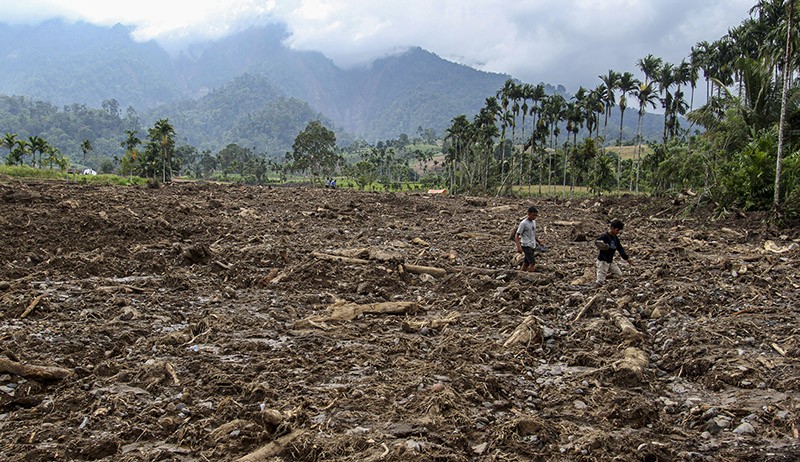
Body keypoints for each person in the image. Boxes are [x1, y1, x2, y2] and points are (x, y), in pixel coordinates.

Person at [594, 219, 633, 287]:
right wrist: (604, 246)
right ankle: (593, 292)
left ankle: (603, 276)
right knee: (599, 283)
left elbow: (620, 248)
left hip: (610, 260)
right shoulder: (605, 236)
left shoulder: (615, 238)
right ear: (612, 228)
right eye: (617, 230)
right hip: (603, 261)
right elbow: (597, 242)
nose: (618, 232)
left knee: (618, 274)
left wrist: (626, 258)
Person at [514, 206, 542, 272]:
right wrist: (519, 247)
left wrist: (538, 241)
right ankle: (530, 276)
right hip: (526, 245)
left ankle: (521, 274)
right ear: (528, 214)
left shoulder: (534, 222)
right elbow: (517, 235)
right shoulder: (523, 223)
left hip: (532, 245)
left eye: (536, 215)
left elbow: (533, 233)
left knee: (526, 262)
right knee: (532, 262)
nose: (534, 217)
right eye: (533, 215)